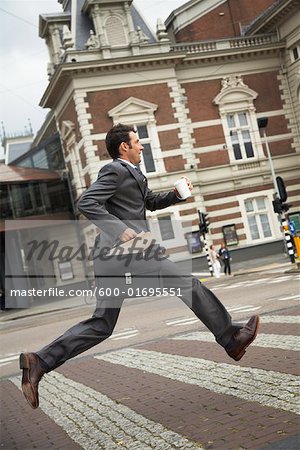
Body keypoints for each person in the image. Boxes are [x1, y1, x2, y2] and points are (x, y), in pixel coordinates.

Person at [19, 124, 259, 409]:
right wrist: (119, 230)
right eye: (137, 141)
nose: (142, 146)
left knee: (102, 324)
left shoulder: (131, 173)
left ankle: (39, 361)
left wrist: (175, 195)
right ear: (124, 147)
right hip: (127, 249)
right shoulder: (116, 171)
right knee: (186, 283)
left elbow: (148, 202)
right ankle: (230, 338)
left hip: (110, 255)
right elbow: (87, 202)